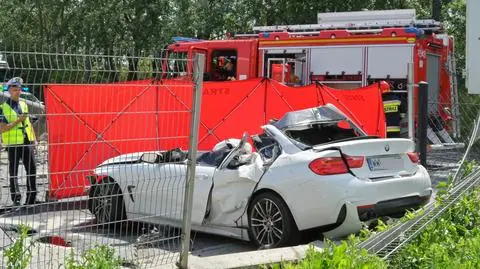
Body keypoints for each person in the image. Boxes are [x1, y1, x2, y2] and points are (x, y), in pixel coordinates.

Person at [0, 77, 38, 206]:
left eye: (19, 89)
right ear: (9, 91)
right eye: (15, 89)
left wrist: (34, 140)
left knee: (32, 169)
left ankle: (31, 197)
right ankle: (15, 198)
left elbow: (28, 123)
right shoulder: (3, 108)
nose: (18, 92)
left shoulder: (23, 104)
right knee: (13, 172)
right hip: (13, 144)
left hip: (27, 142)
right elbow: (2, 129)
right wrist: (18, 120)